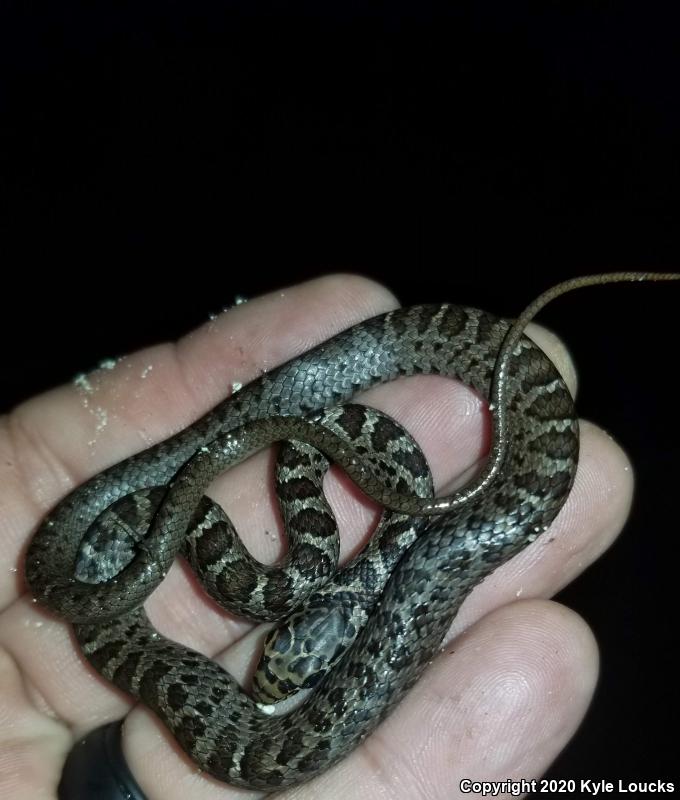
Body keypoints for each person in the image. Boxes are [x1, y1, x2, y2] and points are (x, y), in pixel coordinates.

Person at [0, 275, 628, 799]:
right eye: (283, 665)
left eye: (276, 659)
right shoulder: (315, 549)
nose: (259, 680)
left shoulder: (370, 507)